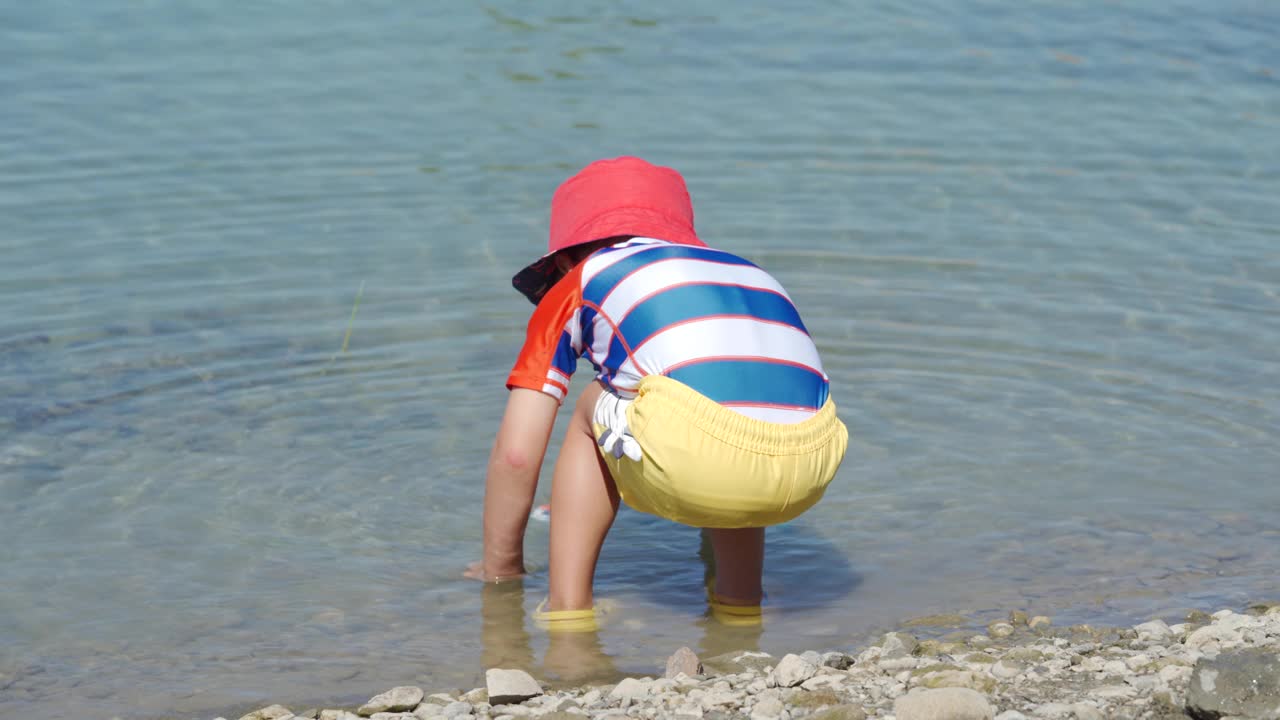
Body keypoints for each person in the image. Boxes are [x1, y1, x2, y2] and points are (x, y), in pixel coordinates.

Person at [471, 156, 848, 629]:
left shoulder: (581, 280)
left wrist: (499, 570)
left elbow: (517, 457)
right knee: (736, 405)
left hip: (713, 458)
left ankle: (568, 616)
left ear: (565, 258)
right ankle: (740, 607)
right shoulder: (748, 272)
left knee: (593, 406)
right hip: (814, 461)